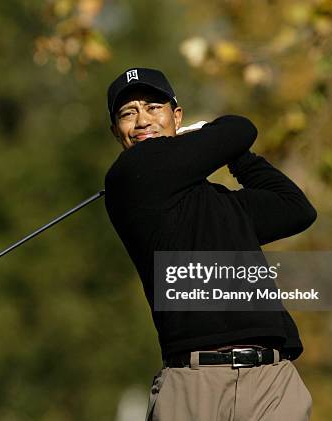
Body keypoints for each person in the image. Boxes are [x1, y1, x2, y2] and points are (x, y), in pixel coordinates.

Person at [104, 68, 317, 421]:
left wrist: (239, 158)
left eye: (153, 107)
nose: (142, 120)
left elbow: (296, 209)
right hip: (194, 384)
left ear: (177, 116)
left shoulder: (223, 203)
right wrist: (210, 135)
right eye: (128, 113)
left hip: (271, 379)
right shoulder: (129, 177)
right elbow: (240, 128)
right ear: (117, 133)